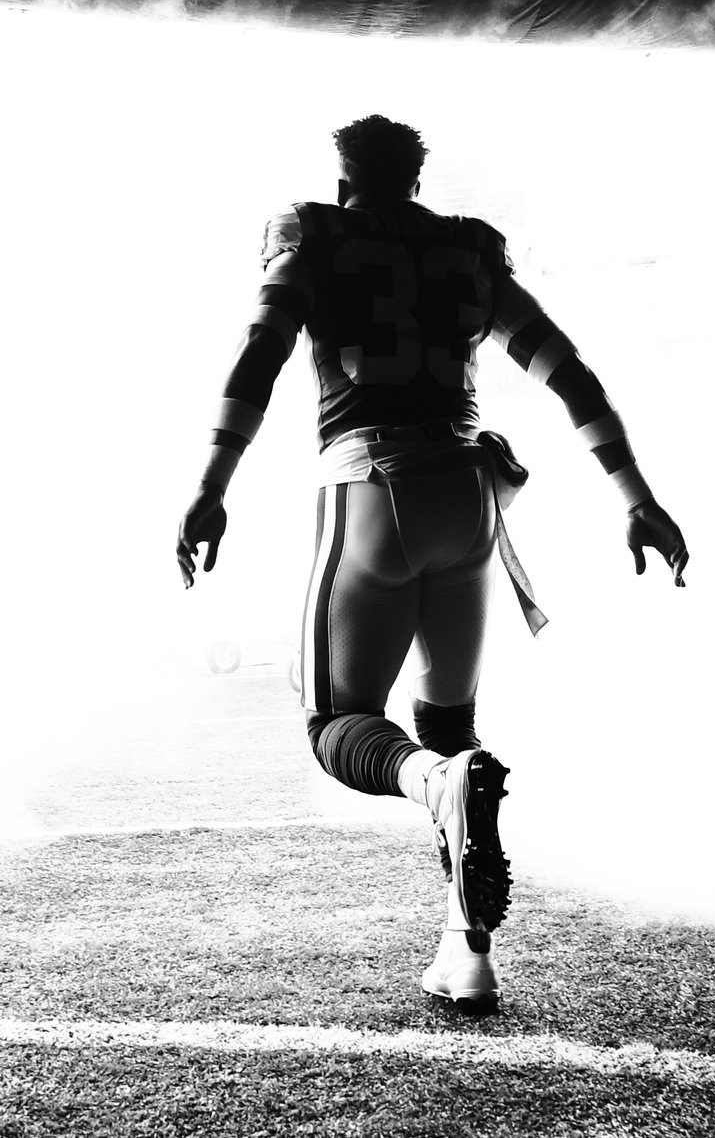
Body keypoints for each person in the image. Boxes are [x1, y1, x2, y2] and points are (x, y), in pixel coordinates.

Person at [176, 115, 688, 1014]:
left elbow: (260, 352)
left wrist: (211, 484)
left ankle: (437, 787)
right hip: (471, 497)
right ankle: (468, 953)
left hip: (372, 484)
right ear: (417, 179)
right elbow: (570, 374)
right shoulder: (469, 255)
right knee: (450, 725)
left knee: (340, 726)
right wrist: (637, 497)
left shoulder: (316, 233)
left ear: (345, 181)